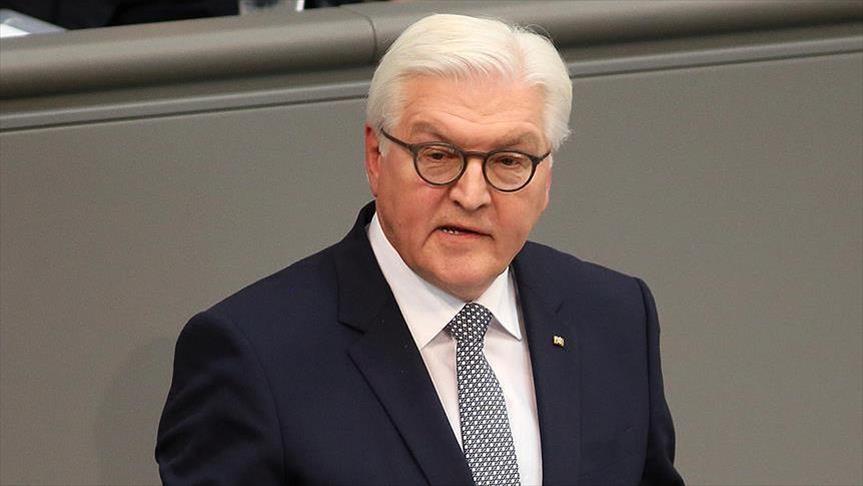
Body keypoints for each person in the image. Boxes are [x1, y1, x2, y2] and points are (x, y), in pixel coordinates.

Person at [156, 13, 684, 486]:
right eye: (438, 155)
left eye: (508, 161)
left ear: (546, 178)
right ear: (375, 156)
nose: (471, 195)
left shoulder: (614, 315)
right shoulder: (254, 355)